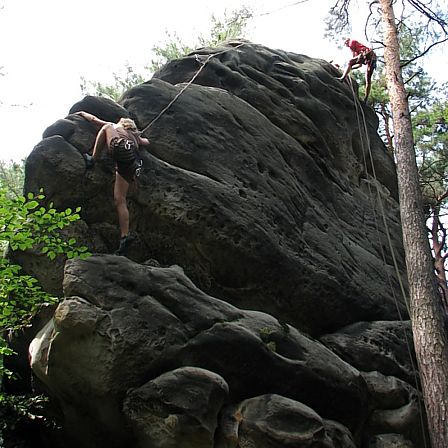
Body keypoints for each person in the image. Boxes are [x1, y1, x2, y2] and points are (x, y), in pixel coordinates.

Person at [76, 111, 150, 255]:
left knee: (105, 127)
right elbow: (147, 142)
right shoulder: (134, 136)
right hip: (132, 163)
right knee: (120, 200)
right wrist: (139, 136)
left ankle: (93, 158)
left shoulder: (114, 127)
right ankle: (124, 236)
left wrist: (82, 113)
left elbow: (94, 119)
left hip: (120, 149)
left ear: (122, 123)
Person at [339, 38, 377, 102]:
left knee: (350, 62)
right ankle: (366, 98)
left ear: (348, 41)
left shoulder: (352, 42)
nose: (346, 45)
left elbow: (353, 60)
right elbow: (359, 65)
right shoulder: (356, 50)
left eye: (346, 43)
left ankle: (342, 78)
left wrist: (350, 66)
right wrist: (351, 68)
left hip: (368, 55)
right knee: (368, 79)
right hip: (371, 58)